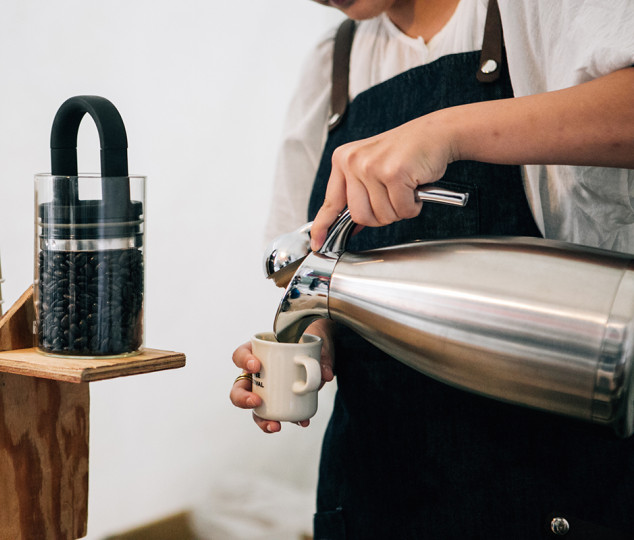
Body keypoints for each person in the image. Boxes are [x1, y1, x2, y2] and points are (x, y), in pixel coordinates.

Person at [230, 0, 634, 538]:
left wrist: (449, 131)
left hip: (549, 489)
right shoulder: (332, 64)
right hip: (375, 498)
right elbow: (307, 269)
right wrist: (318, 338)